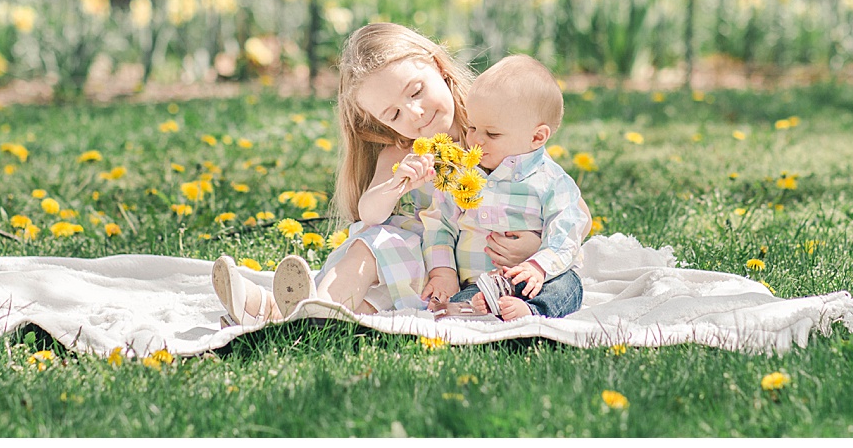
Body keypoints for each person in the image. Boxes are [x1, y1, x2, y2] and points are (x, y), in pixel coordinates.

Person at [211, 23, 542, 325]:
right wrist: (397, 183)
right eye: (394, 113)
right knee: (371, 249)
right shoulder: (401, 151)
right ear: (382, 123)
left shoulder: (495, 132)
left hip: (478, 267)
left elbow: (568, 205)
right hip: (416, 267)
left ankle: (274, 311)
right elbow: (369, 212)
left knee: (372, 291)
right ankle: (301, 310)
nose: (415, 113)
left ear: (438, 67)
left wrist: (534, 242)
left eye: (415, 91)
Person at [420, 54, 590, 321]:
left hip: (536, 280)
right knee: (466, 300)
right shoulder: (462, 175)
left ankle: (533, 313)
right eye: (472, 127)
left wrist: (538, 266)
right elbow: (439, 224)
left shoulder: (550, 181)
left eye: (492, 134)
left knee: (568, 286)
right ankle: (476, 311)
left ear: (536, 137)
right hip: (479, 283)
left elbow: (567, 230)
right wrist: (443, 272)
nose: (476, 139)